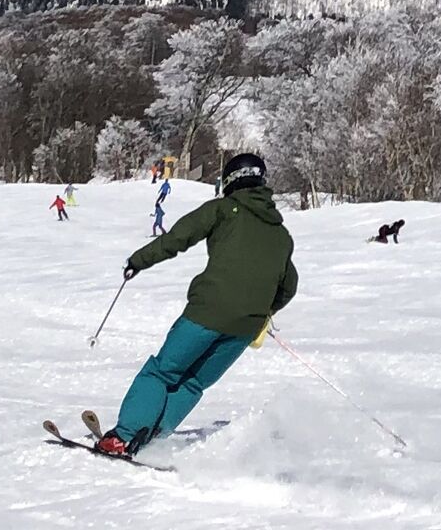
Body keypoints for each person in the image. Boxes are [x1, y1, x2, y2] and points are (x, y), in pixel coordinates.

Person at [94, 151, 298, 459]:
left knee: (162, 372)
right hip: (245, 327)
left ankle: (125, 436)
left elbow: (178, 237)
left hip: (207, 312)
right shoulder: (281, 234)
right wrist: (263, 310)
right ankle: (152, 440)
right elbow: (289, 286)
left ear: (230, 180)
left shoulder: (223, 209)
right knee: (194, 383)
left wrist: (138, 261)